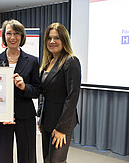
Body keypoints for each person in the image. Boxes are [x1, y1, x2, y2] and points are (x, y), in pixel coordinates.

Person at [0, 19, 40, 163]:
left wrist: (24, 87)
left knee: (27, 156)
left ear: (22, 36)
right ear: (4, 36)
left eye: (17, 33)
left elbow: (37, 90)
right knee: (3, 156)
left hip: (25, 116)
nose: (12, 37)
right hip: (2, 117)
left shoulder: (32, 61)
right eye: (9, 33)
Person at [37, 22, 81, 163]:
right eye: (49, 38)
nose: (52, 41)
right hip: (47, 120)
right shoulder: (47, 63)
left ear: (64, 39)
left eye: (56, 38)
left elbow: (72, 97)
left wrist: (62, 128)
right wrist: (40, 115)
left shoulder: (71, 61)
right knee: (47, 159)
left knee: (57, 161)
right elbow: (44, 93)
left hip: (62, 122)